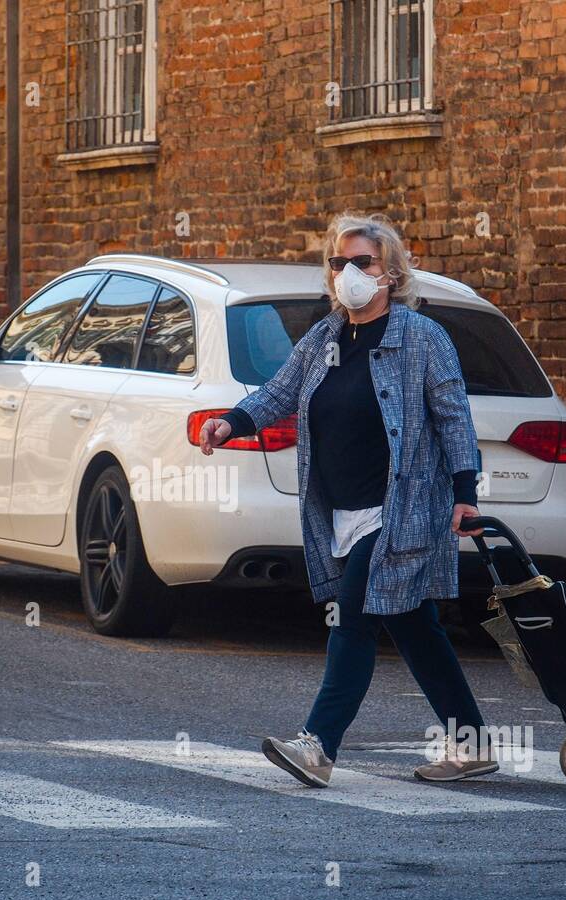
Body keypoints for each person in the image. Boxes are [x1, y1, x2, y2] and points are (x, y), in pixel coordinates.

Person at [198, 212, 497, 786]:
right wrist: (231, 422)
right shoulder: (326, 336)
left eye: (363, 262)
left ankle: (319, 745)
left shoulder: (421, 337)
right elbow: (281, 391)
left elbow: (454, 414)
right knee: (414, 626)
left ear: (391, 273)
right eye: (339, 263)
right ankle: (473, 743)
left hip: (401, 508)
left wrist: (465, 494)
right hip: (341, 509)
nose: (349, 273)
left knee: (352, 618)